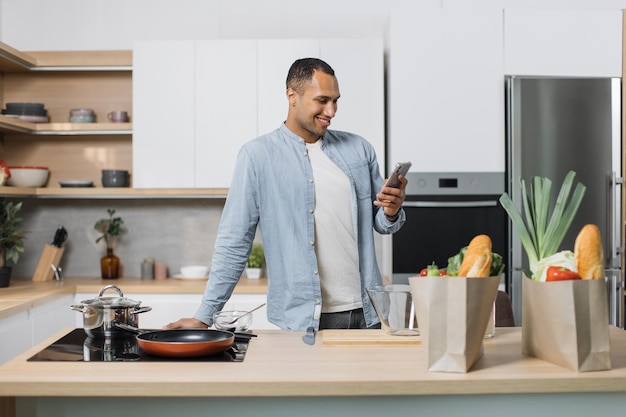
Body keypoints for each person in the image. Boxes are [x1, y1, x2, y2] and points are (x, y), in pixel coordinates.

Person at [166, 57, 407, 332]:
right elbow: (234, 242)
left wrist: (392, 210)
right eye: (322, 100)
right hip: (304, 322)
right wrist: (204, 315)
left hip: (369, 313)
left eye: (336, 101)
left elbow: (380, 222)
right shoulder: (257, 156)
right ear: (292, 96)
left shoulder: (359, 149)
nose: (332, 110)